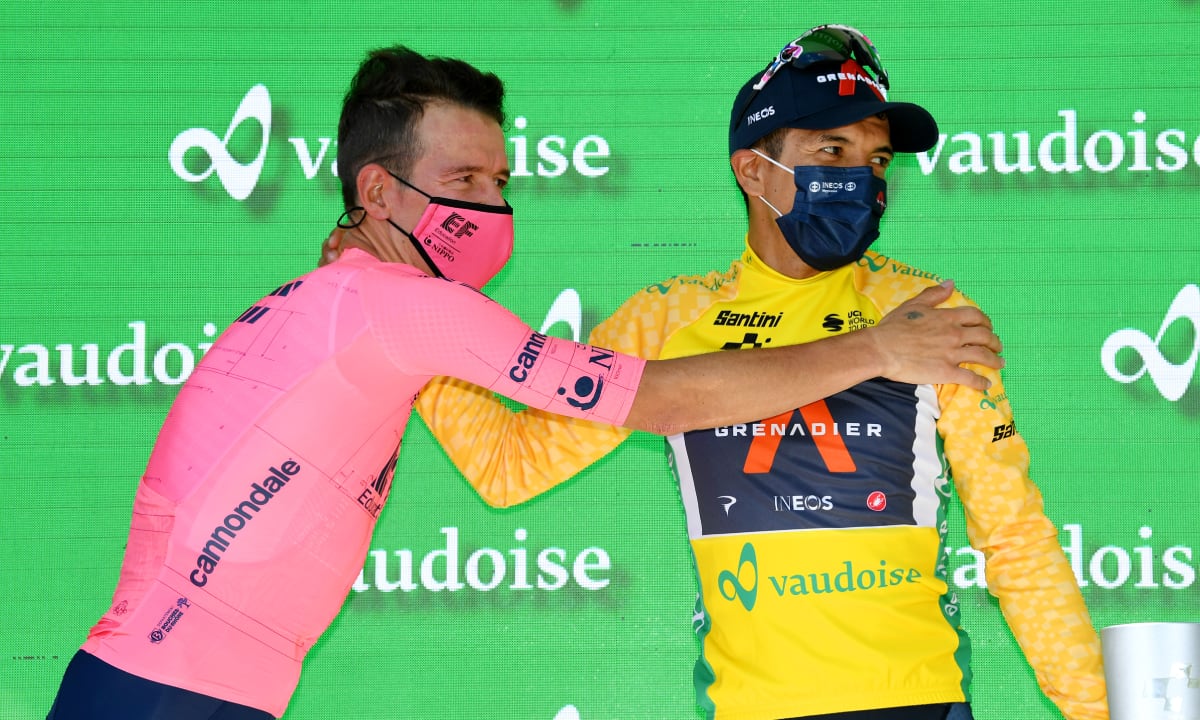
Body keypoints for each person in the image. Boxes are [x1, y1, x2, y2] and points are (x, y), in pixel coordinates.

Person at [46, 44, 1003, 720]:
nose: (491, 206)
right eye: (463, 181)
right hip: (164, 684)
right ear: (378, 193)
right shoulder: (402, 304)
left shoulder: (353, 294)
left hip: (202, 677)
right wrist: (877, 351)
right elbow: (660, 398)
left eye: (501, 181)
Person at [376, 24, 1109, 720]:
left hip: (920, 699)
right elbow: (511, 464)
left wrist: (1093, 707)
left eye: (877, 160)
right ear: (754, 169)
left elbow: (1015, 537)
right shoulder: (663, 321)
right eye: (832, 151)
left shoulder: (928, 311)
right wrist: (409, 297)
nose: (862, 177)